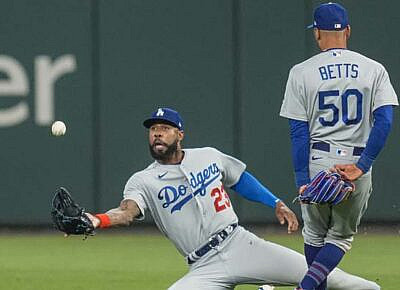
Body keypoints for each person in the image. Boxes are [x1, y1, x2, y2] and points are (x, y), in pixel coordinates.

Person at [86, 107, 380, 289]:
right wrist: (96, 220)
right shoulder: (143, 180)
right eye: (153, 130)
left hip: (240, 244)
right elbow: (126, 212)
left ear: (180, 134)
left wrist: (275, 203)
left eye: (164, 129)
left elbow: (240, 179)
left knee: (331, 279)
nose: (157, 134)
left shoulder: (208, 156)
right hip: (203, 267)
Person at [279, 2, 398, 290]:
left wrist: (302, 180)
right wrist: (362, 165)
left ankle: (304, 288)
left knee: (314, 236)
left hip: (318, 159)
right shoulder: (374, 69)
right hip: (355, 166)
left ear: (317, 33)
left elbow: (298, 132)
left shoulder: (301, 71)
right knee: (340, 238)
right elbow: (385, 120)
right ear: (347, 31)